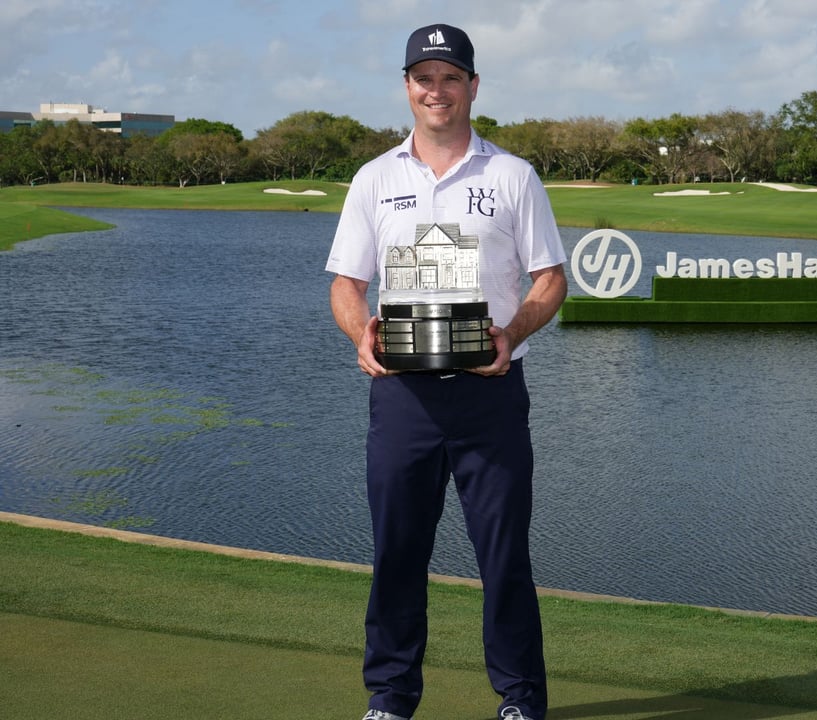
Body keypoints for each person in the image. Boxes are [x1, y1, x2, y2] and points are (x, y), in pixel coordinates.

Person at [325, 22, 567, 720]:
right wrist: (359, 333)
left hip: (491, 394)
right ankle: (391, 698)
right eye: (424, 78)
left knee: (503, 557)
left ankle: (520, 699)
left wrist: (511, 332)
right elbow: (347, 285)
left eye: (450, 77)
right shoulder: (376, 178)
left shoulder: (513, 176)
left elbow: (550, 280)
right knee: (398, 552)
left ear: (472, 86)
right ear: (408, 87)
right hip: (402, 396)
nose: (437, 90)